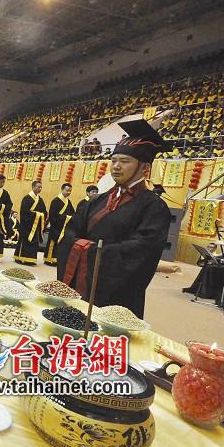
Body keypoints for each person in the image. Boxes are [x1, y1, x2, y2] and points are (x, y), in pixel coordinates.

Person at [57, 119, 171, 318]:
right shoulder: (97, 200)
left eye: (125, 161)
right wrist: (83, 247)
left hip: (117, 293)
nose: (116, 167)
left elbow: (142, 251)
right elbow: (72, 230)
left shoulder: (154, 207)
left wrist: (93, 252)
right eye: (114, 160)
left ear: (145, 168)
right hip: (81, 283)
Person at [183, 219, 224, 300]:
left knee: (211, 267)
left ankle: (207, 292)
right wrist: (216, 255)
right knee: (207, 265)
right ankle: (196, 288)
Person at [14, 180, 47, 265]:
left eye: (41, 187)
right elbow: (24, 212)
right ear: (33, 187)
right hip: (27, 224)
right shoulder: (27, 198)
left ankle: (30, 259)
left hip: (35, 225)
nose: (39, 189)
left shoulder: (40, 200)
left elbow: (44, 212)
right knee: (25, 241)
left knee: (34, 243)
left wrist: (40, 215)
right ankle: (20, 257)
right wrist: (36, 214)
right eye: (38, 187)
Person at [45, 183, 75, 266]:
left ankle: (57, 259)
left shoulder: (68, 202)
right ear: (62, 190)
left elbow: (73, 213)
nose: (68, 192)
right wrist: (64, 218)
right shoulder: (55, 201)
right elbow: (52, 215)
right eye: (67, 190)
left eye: (70, 191)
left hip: (63, 227)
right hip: (56, 226)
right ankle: (49, 259)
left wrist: (69, 218)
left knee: (61, 244)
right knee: (53, 243)